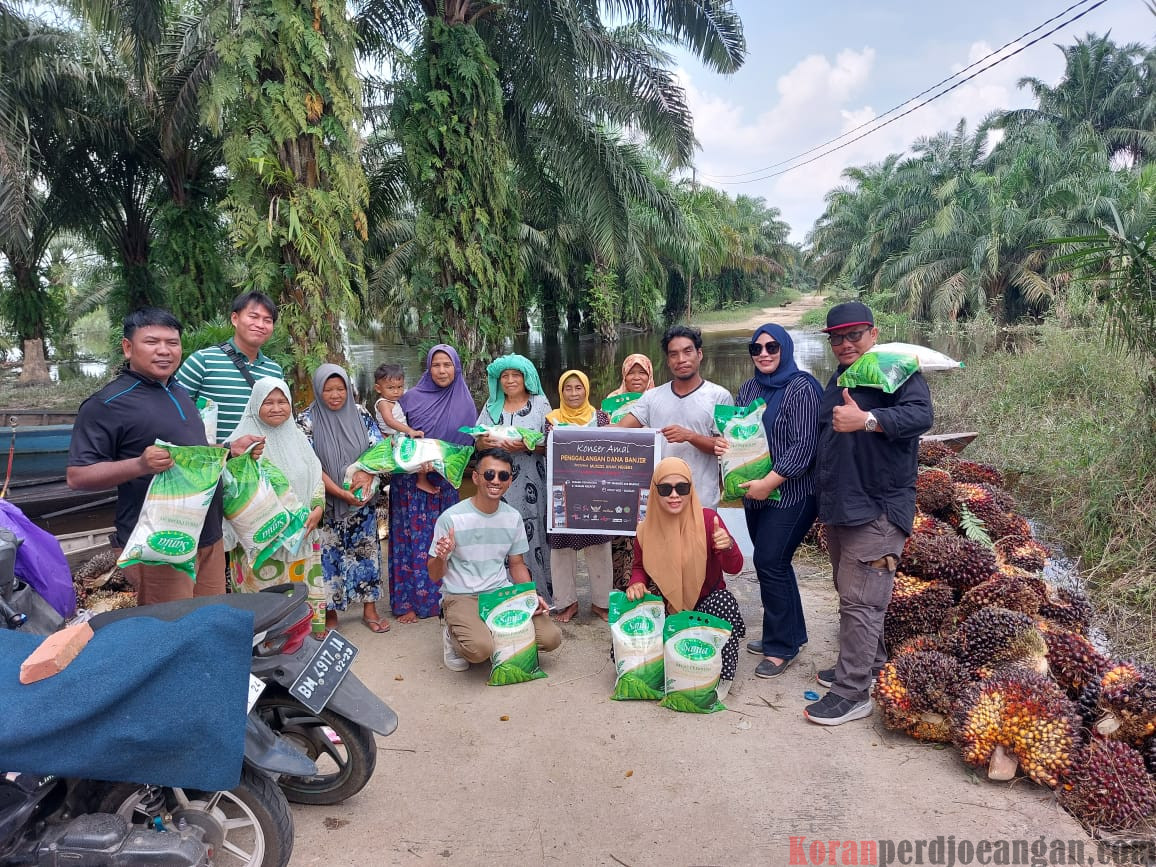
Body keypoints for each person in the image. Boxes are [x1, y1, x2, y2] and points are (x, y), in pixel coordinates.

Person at [67, 308, 263, 604]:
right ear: (127, 347)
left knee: (212, 620)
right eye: (151, 342)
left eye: (172, 343)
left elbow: (188, 454)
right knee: (172, 628)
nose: (164, 351)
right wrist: (139, 464)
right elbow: (77, 477)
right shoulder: (106, 404)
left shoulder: (178, 390)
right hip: (159, 543)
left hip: (207, 534)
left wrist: (228, 449)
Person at [805, 301, 933, 726]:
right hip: (842, 506)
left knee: (862, 602)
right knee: (853, 595)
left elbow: (921, 415)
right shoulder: (840, 376)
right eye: (836, 338)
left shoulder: (896, 369)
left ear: (873, 334)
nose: (844, 344)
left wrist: (868, 420)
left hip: (878, 509)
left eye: (853, 335)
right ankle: (868, 666)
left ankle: (852, 691)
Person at [731, 324, 822, 679]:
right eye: (756, 349)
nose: (764, 354)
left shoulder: (803, 387)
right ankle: (789, 635)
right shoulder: (749, 387)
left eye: (772, 347)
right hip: (756, 494)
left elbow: (805, 446)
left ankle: (781, 647)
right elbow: (738, 434)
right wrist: (726, 447)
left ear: (785, 348)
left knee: (769, 561)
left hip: (793, 494)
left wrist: (769, 482)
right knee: (776, 565)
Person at [428, 448, 563, 672]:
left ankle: (490, 632)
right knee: (480, 650)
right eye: (489, 474)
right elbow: (434, 574)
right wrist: (442, 556)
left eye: (503, 476)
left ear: (510, 481)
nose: (496, 481)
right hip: (462, 596)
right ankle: (453, 635)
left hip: (500, 593)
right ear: (476, 477)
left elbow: (517, 564)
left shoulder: (512, 517)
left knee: (550, 638)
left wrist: (529, 596)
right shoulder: (451, 518)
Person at [626, 457, 745, 697]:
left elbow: (735, 567)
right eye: (665, 489)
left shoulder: (708, 520)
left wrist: (728, 546)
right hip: (667, 603)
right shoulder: (645, 529)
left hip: (704, 604)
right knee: (634, 613)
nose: (674, 495)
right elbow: (639, 567)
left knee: (724, 602)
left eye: (682, 488)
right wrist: (636, 582)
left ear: (691, 489)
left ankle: (722, 675)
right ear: (655, 491)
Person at [297, 364, 389, 635]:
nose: (335, 394)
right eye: (328, 389)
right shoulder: (306, 420)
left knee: (367, 554)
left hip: (363, 500)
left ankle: (369, 610)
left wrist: (366, 479)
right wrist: (339, 492)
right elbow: (309, 465)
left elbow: (379, 449)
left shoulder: (360, 413)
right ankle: (331, 611)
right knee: (329, 557)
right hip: (326, 504)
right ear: (318, 390)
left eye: (340, 388)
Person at [390, 345, 478, 623]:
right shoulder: (409, 399)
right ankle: (408, 602)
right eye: (436, 365)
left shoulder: (465, 402)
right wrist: (419, 465)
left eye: (447, 365)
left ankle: (443, 599)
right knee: (411, 540)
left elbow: (468, 445)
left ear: (456, 368)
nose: (441, 370)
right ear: (428, 367)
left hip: (446, 482)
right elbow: (394, 438)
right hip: (411, 483)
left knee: (442, 541)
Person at [617, 325, 733, 510]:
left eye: (687, 352)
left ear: (699, 354)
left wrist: (690, 436)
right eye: (674, 354)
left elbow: (725, 447)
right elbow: (620, 430)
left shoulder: (719, 396)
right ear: (668, 361)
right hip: (662, 497)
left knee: (699, 539)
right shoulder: (652, 397)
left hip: (701, 500)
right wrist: (571, 432)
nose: (681, 360)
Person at [228, 378, 325, 593]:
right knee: (264, 606)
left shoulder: (298, 439)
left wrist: (318, 508)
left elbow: (316, 476)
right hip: (259, 542)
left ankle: (304, 628)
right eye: (268, 402)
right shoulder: (239, 444)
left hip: (301, 535)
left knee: (301, 594)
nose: (276, 408)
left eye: (282, 402)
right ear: (255, 404)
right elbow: (231, 494)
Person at [473, 354, 552, 600]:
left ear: (526, 377)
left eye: (515, 375)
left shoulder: (540, 404)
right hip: (498, 483)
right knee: (500, 531)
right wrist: (482, 442)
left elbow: (552, 443)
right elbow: (477, 442)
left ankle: (539, 594)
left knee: (534, 531)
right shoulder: (492, 405)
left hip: (532, 482)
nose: (509, 380)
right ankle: (503, 595)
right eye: (504, 376)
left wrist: (526, 446)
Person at [544, 370, 613, 623]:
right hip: (563, 492)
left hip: (597, 493)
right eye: (568, 389)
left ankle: (602, 603)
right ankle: (566, 602)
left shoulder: (602, 418)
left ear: (587, 389)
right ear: (561, 392)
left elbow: (613, 453)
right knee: (561, 549)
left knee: (599, 546)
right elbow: (550, 452)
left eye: (578, 388)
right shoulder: (551, 419)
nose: (573, 393)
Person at [175, 291, 283, 442]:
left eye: (267, 320)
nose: (260, 325)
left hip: (261, 462)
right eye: (253, 317)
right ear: (235, 319)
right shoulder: (202, 360)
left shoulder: (275, 371)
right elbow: (173, 410)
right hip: (214, 462)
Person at [606, 352, 657, 590]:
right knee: (619, 525)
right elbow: (603, 435)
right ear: (623, 375)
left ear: (650, 375)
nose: (636, 377)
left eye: (642, 372)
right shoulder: (611, 400)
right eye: (631, 372)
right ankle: (621, 585)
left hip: (648, 477)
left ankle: (647, 583)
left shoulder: (657, 400)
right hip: (618, 477)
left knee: (648, 529)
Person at [370, 362, 432, 497]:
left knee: (420, 454)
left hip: (399, 436)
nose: (396, 391)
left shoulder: (393, 401)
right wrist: (410, 430)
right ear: (378, 388)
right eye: (390, 388)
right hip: (393, 438)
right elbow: (390, 421)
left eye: (400, 387)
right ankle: (420, 481)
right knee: (417, 456)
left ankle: (420, 480)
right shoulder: (383, 403)